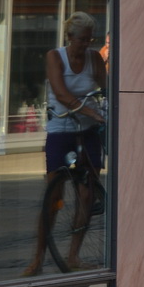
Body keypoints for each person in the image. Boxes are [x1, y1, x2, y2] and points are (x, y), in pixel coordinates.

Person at [45, 11, 106, 176]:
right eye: (82, 39)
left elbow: (107, 88)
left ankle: (89, 192)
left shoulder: (94, 58)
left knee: (90, 178)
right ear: (70, 37)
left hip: (88, 126)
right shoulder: (55, 56)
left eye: (90, 39)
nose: (86, 44)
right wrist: (92, 113)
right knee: (56, 180)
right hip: (61, 125)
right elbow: (61, 95)